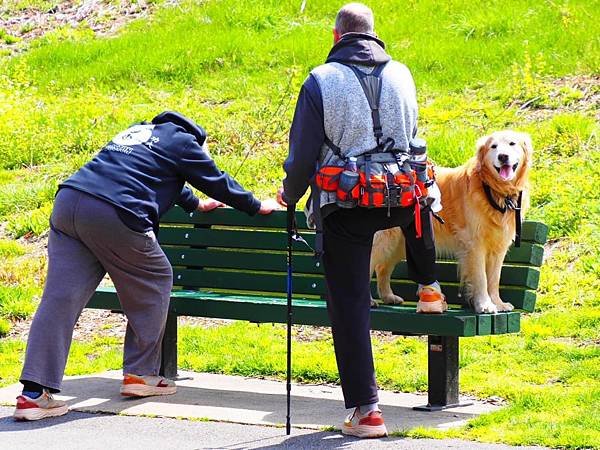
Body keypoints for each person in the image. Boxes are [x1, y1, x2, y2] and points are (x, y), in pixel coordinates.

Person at [13, 111, 280, 421]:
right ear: (198, 140)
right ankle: (141, 374)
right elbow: (215, 180)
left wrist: (195, 204)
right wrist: (256, 205)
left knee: (59, 299)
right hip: (115, 211)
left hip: (69, 202)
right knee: (156, 277)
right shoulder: (184, 142)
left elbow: (157, 176)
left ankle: (34, 394)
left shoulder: (139, 133)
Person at [277, 3, 446, 438]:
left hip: (347, 202)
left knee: (350, 302)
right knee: (417, 204)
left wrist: (291, 195)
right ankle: (430, 288)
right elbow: (412, 141)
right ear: (373, 35)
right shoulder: (403, 74)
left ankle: (367, 411)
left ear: (336, 37)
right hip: (400, 196)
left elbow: (302, 156)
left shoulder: (320, 80)